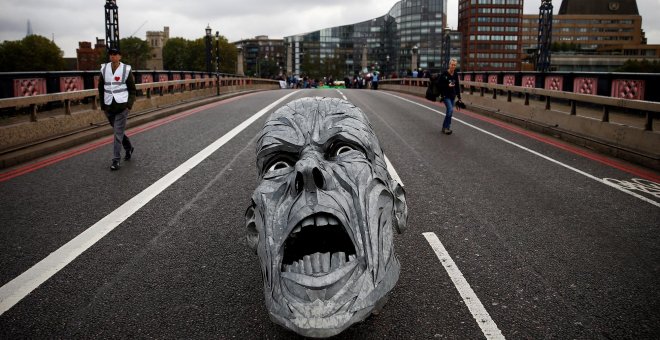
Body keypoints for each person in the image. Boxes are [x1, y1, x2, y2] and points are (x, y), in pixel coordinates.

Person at [98, 47, 136, 170]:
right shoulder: (104, 69)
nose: (112, 56)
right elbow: (100, 88)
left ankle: (116, 160)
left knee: (117, 133)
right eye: (111, 54)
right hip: (109, 106)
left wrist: (129, 106)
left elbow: (132, 89)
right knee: (118, 131)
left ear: (120, 56)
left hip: (122, 106)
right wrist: (103, 106)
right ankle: (129, 147)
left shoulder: (126, 69)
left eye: (115, 54)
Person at [438, 58, 462, 135]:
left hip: (452, 95)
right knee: (450, 110)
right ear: (449, 65)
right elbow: (439, 84)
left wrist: (459, 97)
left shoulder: (455, 74)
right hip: (445, 95)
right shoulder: (444, 74)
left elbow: (457, 86)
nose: (453, 66)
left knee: (450, 112)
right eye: (452, 64)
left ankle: (446, 127)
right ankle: (445, 128)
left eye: (454, 65)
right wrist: (447, 85)